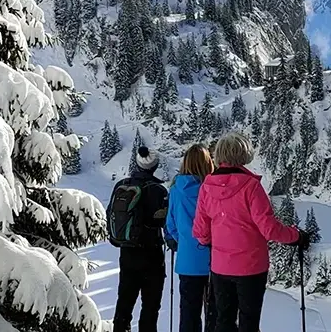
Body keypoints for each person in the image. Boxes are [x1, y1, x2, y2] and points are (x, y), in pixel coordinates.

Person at [192, 132, 310, 332]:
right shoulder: (251, 187)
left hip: (221, 267)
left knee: (224, 320)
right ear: (243, 154)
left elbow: (200, 231)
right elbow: (269, 229)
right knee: (249, 322)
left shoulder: (207, 187)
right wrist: (296, 236)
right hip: (251, 266)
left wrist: (215, 242)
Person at [108, 146, 169, 332]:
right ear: (155, 166)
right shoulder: (159, 190)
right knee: (150, 307)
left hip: (127, 252)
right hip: (152, 254)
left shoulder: (121, 185)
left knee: (124, 303)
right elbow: (166, 222)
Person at [165, 144, 218, 332]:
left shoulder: (176, 190)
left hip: (187, 260)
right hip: (215, 260)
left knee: (189, 313)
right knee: (215, 313)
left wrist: (185, 241)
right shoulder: (212, 189)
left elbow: (170, 225)